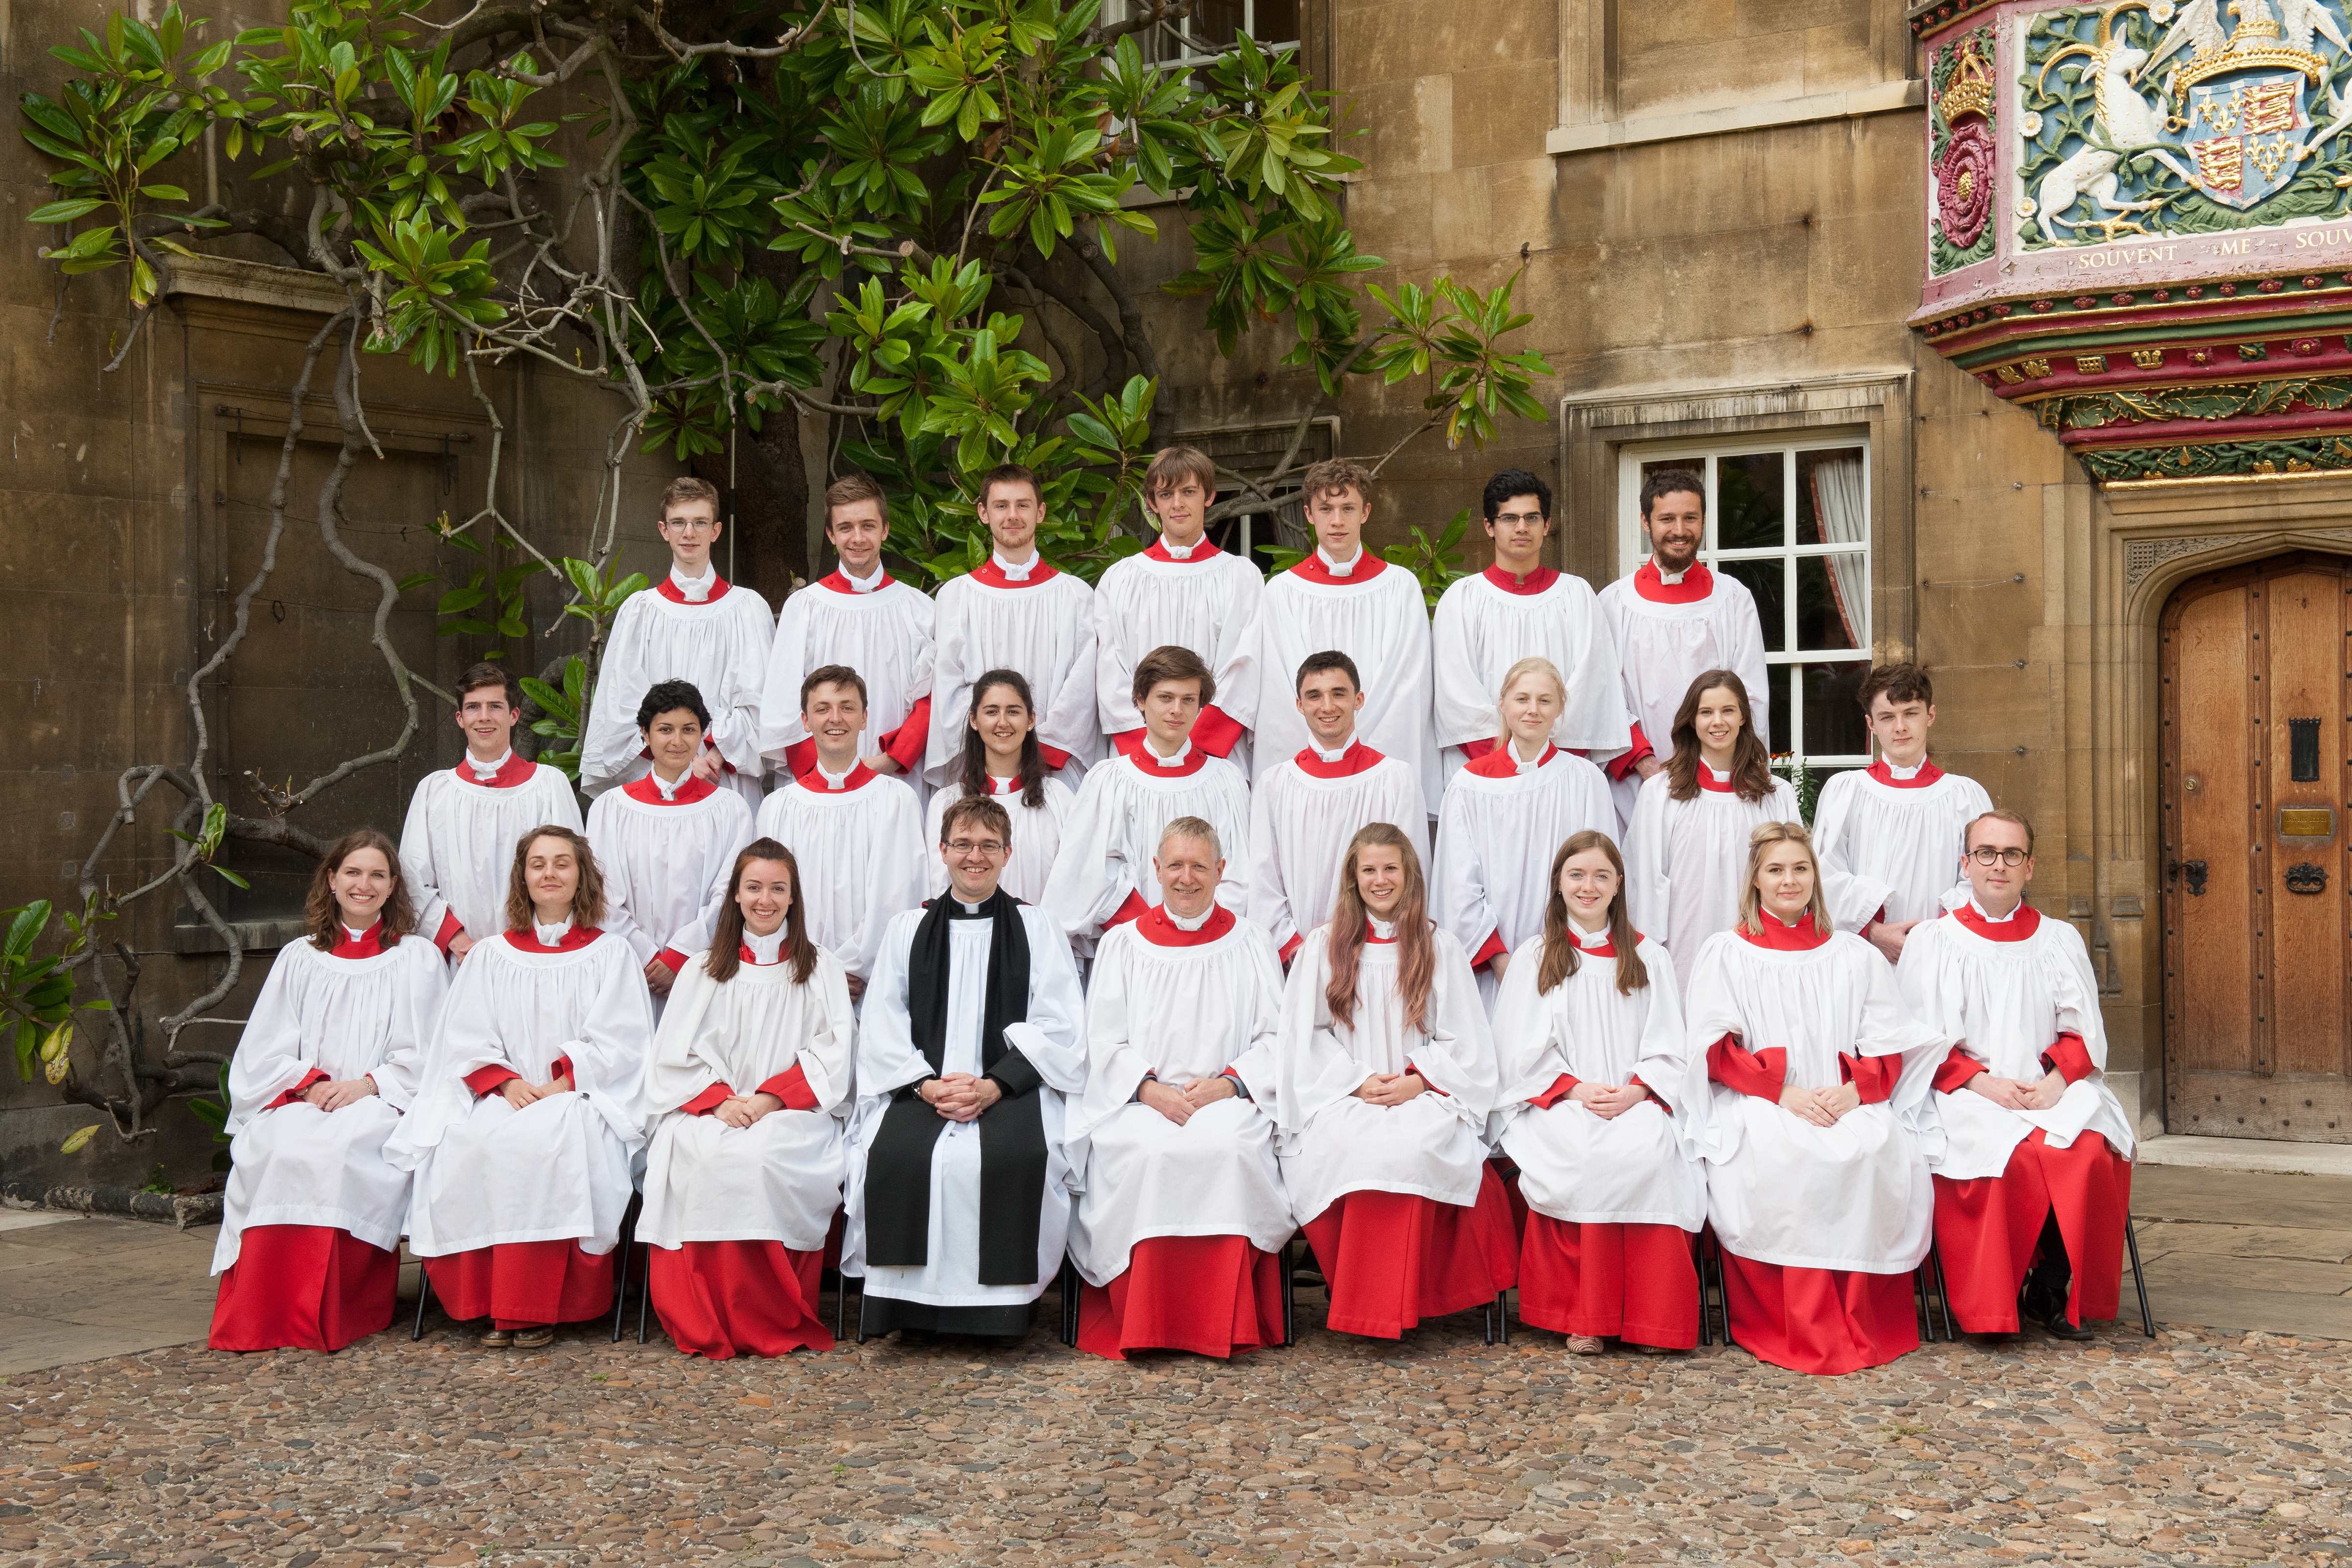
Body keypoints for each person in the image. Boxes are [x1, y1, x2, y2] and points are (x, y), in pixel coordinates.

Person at [1685, 821, 1946, 1375]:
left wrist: (1856, 1091)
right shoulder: (1726, 952)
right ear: (1755, 879)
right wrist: (1782, 1092)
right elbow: (1714, 1050)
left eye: (1800, 868)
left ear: (1815, 878)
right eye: (1776, 869)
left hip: (1841, 1095)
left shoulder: (1854, 955)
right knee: (1784, 1153)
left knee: (1875, 1147)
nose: (1789, 879)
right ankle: (1799, 1323)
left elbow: (1889, 1044)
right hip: (1765, 1096)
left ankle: (1859, 1319)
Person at [387, 826, 654, 1348]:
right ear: (522, 877)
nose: (550, 873)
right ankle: (485, 1300)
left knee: (544, 1144)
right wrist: (504, 1082)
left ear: (582, 876)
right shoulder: (492, 955)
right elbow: (465, 1034)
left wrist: (560, 1083)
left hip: (578, 1094)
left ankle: (535, 1306)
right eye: (538, 864)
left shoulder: (611, 953)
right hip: (503, 1093)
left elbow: (624, 1041)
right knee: (467, 1142)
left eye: (562, 863)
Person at [842, 796, 1089, 1340]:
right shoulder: (909, 927)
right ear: (943, 850)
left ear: (1007, 854)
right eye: (963, 844)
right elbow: (883, 1021)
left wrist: (995, 1085)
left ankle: (998, 1313)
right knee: (897, 1154)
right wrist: (928, 1087)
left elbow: (1061, 1024)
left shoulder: (1036, 926)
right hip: (922, 1087)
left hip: (1009, 1087)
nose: (974, 856)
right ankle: (907, 1311)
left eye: (987, 846)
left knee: (1021, 1155)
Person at [1897, 810, 2135, 1340]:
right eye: (1986, 852)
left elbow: (2084, 1034)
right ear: (1966, 863)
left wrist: (2053, 1085)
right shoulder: (1933, 941)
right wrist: (1984, 1083)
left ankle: (2050, 1287)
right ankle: (1993, 1302)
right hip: (1963, 1089)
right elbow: (1919, 1040)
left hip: (2048, 1084)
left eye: (2011, 854)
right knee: (2014, 1155)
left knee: (2088, 1146)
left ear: (2030, 867)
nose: (1997, 865)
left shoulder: (2058, 940)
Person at [1272, 825, 1516, 1340]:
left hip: (1421, 1091)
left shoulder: (1438, 945)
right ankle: (1367, 1300)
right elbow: (1305, 1037)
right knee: (1350, 1147)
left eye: (1390, 868)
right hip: (1344, 1092)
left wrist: (1418, 1078)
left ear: (1409, 874)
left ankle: (1404, 1300)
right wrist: (1356, 1081)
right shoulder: (1324, 944)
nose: (1380, 880)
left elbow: (1467, 1042)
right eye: (1369, 869)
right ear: (1352, 877)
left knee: (1413, 1145)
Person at [208, 830, 448, 1353]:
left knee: (339, 1149)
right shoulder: (300, 957)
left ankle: (331, 1312)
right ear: (333, 880)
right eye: (354, 873)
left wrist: (368, 1084)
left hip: (381, 1100)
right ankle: (262, 1310)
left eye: (378, 874)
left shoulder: (418, 959)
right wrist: (310, 1084)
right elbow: (263, 1049)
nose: (365, 884)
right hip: (305, 1096)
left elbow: (431, 1054)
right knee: (275, 1146)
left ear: (393, 886)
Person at [1068, 817, 1292, 1360]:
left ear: (1220, 871)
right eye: (1175, 865)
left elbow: (1275, 1037)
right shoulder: (1124, 944)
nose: (1186, 878)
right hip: (1143, 1098)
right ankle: (1148, 1321)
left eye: (1198, 866)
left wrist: (1230, 1083)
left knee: (1232, 1147)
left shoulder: (1251, 941)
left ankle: (1226, 1322)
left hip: (1226, 1095)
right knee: (1147, 1151)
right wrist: (1148, 1090)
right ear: (1156, 869)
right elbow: (1103, 1041)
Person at [637, 840, 857, 1358]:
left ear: (793, 897)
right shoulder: (701, 969)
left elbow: (834, 1053)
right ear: (735, 895)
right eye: (754, 887)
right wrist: (718, 1101)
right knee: (704, 1153)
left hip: (790, 1111)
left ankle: (767, 1315)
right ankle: (709, 1316)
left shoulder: (820, 967)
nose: (765, 899)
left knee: (760, 1156)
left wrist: (766, 1100)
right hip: (710, 1106)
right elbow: (670, 1056)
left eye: (777, 888)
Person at [1492, 832, 1705, 1354]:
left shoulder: (1647, 955)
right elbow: (1516, 1049)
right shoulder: (1535, 956)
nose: (1589, 886)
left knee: (1653, 1149)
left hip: (1634, 1097)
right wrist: (1573, 1089)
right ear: (1559, 884)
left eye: (1601, 876)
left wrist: (1637, 1091)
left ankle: (1651, 1320)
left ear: (1619, 885)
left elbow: (1670, 1045)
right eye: (1577, 875)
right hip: (1560, 1100)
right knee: (1585, 1153)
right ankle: (1586, 1314)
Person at [1222, 459, 1440, 805]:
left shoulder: (1401, 587)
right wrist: (1325, 744)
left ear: (1365, 512)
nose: (1337, 521)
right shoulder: (1282, 592)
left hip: (1379, 765)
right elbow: (1281, 688)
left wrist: (1360, 751)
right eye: (1326, 509)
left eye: (1347, 508)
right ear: (1308, 514)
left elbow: (1406, 686)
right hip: (1307, 772)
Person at [581, 477, 774, 810]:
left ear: (715, 531)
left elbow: (763, 701)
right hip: (655, 780)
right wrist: (681, 764)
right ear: (663, 529)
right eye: (679, 523)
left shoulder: (748, 609)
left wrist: (713, 755)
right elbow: (620, 708)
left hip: (724, 776)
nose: (689, 533)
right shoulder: (639, 613)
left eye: (700, 522)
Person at [1430, 469, 1635, 783]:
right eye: (1510, 518)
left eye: (1532, 518)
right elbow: (1456, 692)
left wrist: (1548, 760)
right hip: (1485, 770)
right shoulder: (1462, 599)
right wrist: (1505, 759)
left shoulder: (1576, 594)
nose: (1522, 528)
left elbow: (1593, 683)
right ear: (1490, 526)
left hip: (1562, 768)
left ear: (1547, 525)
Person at [1430, 657, 1615, 1004]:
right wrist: (1503, 963)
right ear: (1502, 704)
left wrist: (1561, 954)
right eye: (1522, 699)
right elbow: (1458, 885)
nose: (1533, 710)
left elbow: (1599, 876)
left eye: (1545, 700)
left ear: (1560, 707)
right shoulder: (1470, 785)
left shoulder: (1585, 780)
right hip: (1492, 971)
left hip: (1569, 962)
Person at [1044, 645, 1253, 944]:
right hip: (1134, 946)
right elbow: (1088, 876)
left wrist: (1203, 932)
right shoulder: (1108, 781)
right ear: (1141, 700)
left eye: (1188, 700)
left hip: (1214, 945)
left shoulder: (1227, 780)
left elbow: (1239, 872)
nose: (1177, 710)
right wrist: (1155, 930)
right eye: (1165, 698)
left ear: (1201, 706)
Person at [1596, 468, 1769, 829]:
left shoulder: (1733, 600)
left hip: (1719, 781)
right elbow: (1603, 696)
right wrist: (1645, 765)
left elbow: (1752, 695)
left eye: (1690, 518)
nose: (1679, 530)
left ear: (1703, 520)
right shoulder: (1614, 603)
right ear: (1646, 522)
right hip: (1636, 782)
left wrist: (1732, 772)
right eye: (1666, 519)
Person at [1624, 672, 1804, 998]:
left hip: (1760, 943)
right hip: (1684, 944)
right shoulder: (1661, 793)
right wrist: (1648, 958)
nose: (1717, 722)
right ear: (1691, 721)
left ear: (1744, 717)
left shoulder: (1777, 794)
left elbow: (1793, 877)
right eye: (1706, 712)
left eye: (1728, 710)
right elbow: (1645, 880)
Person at [753, 665, 928, 997]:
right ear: (805, 721)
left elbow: (899, 895)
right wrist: (812, 969)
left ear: (864, 718)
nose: (836, 718)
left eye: (847, 707)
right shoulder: (778, 807)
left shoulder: (897, 800)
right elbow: (769, 899)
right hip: (795, 981)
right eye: (823, 709)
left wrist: (853, 968)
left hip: (872, 985)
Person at [1248, 651, 1429, 967]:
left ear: (1358, 700)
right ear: (1300, 705)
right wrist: (1300, 953)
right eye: (1314, 696)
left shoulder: (1396, 779)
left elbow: (1410, 876)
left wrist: (1371, 951)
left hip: (1378, 958)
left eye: (1339, 694)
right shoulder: (1274, 785)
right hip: (1298, 961)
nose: (1327, 707)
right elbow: (1265, 883)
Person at [584, 679, 757, 1003]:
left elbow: (730, 892)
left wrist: (680, 957)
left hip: (704, 971)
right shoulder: (611, 808)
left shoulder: (730, 810)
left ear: (702, 735)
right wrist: (648, 958)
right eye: (665, 729)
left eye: (689, 730)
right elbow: (602, 895)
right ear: (645, 735)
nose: (677, 741)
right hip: (629, 972)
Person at [926, 464, 1099, 786]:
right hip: (981, 768)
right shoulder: (958, 596)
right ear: (983, 512)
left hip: (1054, 771)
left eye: (1023, 505)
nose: (1013, 516)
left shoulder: (1075, 595)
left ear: (1041, 512)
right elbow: (947, 685)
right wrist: (994, 749)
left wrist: (1044, 750)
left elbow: (1083, 684)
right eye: (1001, 506)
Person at [398, 662, 583, 961]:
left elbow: (569, 872)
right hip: (458, 956)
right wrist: (455, 939)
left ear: (514, 716)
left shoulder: (548, 785)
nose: (484, 717)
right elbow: (412, 880)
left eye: (495, 706)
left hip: (535, 953)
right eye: (473, 707)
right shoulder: (434, 790)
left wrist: (522, 944)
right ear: (460, 718)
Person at [759, 473, 935, 784]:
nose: (857, 538)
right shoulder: (804, 607)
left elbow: (930, 696)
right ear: (830, 534)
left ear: (885, 530)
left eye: (868, 526)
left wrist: (892, 760)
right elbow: (784, 700)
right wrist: (824, 775)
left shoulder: (919, 609)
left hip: (895, 776)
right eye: (845, 528)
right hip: (820, 781)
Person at [1813, 663, 1993, 963]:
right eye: (1887, 717)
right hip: (1864, 958)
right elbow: (1824, 876)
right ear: (1870, 724)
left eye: (1911, 713)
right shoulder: (1846, 791)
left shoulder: (1965, 797)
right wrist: (1872, 932)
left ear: (1930, 715)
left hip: (1944, 957)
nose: (1900, 727)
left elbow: (1981, 877)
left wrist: (1937, 935)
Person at [1091, 445, 1259, 765]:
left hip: (1213, 758)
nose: (1178, 504)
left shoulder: (1240, 577)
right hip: (1139, 757)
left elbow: (1245, 667)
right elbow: (1110, 671)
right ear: (1152, 503)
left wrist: (1198, 749)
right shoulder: (1121, 579)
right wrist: (1147, 748)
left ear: (1209, 496)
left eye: (1189, 492)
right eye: (1166, 494)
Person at [923, 670, 1077, 906]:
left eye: (1013, 712)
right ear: (974, 720)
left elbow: (1072, 885)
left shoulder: (1058, 799)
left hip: (1039, 937)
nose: (1003, 722)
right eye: (992, 712)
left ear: (1031, 720)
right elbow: (938, 887)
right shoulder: (946, 803)